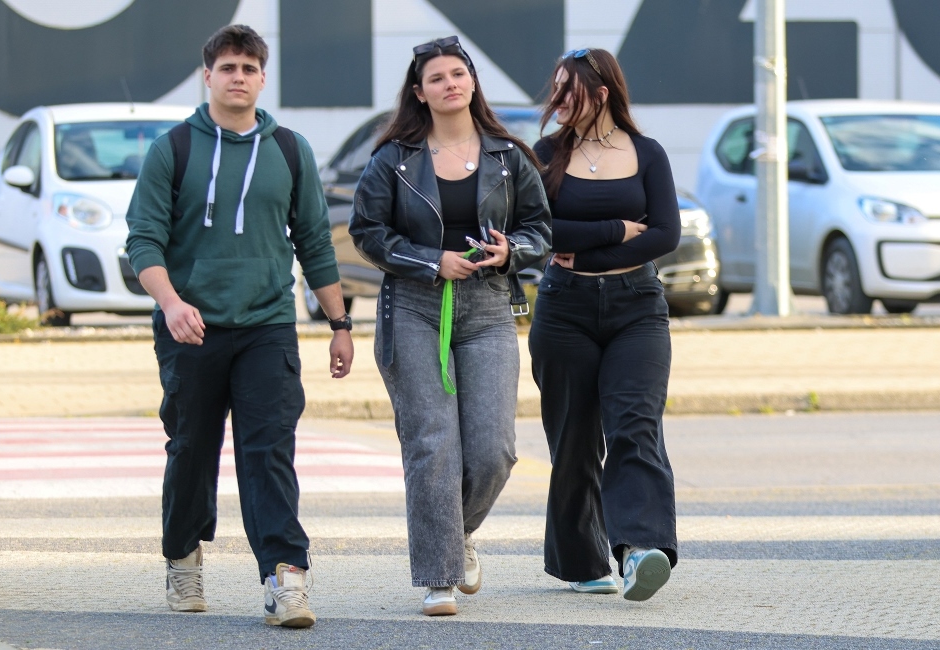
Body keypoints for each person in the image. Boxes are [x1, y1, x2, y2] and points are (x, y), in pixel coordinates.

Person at [125, 24, 354, 628]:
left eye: (249, 68)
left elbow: (314, 242)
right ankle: (183, 555)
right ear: (208, 75)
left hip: (267, 326)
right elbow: (143, 241)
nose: (238, 77)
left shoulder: (289, 150)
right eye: (228, 67)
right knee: (191, 449)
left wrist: (339, 322)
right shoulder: (173, 149)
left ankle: (285, 578)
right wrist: (171, 303)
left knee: (269, 451)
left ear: (262, 77)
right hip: (190, 326)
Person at [349, 35, 551, 616]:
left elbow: (541, 230)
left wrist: (511, 251)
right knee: (433, 443)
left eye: (458, 74)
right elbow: (367, 233)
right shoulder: (393, 159)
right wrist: (429, 260)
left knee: (494, 450)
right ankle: (439, 577)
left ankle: (455, 533)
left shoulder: (509, 156)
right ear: (420, 92)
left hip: (488, 307)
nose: (450, 84)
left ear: (472, 82)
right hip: (415, 307)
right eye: (436, 78)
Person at [529, 47, 680, 601]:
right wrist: (616, 231)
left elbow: (665, 234)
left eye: (567, 89)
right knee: (573, 438)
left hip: (637, 307)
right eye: (553, 89)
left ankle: (640, 549)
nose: (556, 100)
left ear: (601, 92)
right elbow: (540, 229)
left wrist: (587, 250)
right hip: (563, 309)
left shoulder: (647, 153)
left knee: (635, 425)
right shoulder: (545, 154)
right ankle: (582, 560)